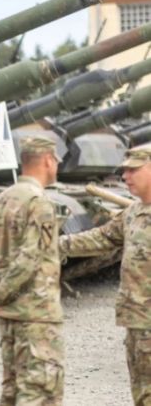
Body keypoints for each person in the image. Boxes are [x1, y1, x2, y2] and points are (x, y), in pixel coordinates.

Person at [0, 135, 64, 406]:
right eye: (55, 160)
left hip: (10, 316)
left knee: (12, 393)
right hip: (37, 316)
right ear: (48, 160)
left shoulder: (1, 199)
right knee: (40, 392)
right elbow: (30, 258)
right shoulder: (39, 203)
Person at [59, 143, 151, 405]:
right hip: (137, 322)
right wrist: (53, 246)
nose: (125, 177)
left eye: (133, 170)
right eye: (124, 171)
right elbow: (102, 238)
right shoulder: (134, 213)